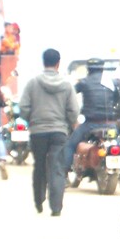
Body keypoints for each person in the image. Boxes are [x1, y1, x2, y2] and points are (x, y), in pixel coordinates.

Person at [21, 48, 79, 216]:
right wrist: (67, 123)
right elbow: (73, 111)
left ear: (43, 62)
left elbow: (24, 107)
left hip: (37, 131)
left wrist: (31, 119)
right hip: (59, 132)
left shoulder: (32, 83)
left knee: (39, 165)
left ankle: (38, 201)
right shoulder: (67, 85)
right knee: (57, 167)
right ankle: (56, 207)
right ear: (58, 63)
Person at [61, 57, 119, 174]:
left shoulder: (84, 82)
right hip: (110, 124)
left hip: (90, 124)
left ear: (88, 69)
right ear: (102, 69)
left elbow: (69, 95)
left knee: (70, 145)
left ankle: (64, 173)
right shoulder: (111, 82)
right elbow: (117, 99)